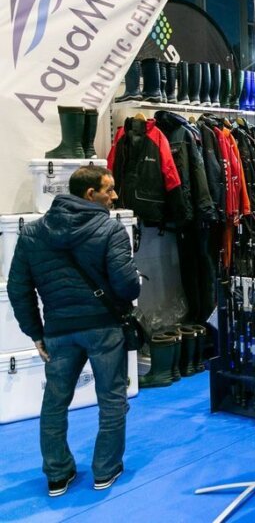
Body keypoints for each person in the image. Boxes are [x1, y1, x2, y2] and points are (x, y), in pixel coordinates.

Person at [8, 165, 141, 497]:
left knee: (55, 403)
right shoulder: (110, 230)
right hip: (104, 328)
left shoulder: (32, 234)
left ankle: (57, 475)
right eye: (109, 190)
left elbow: (18, 289)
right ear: (90, 194)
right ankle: (106, 469)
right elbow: (127, 286)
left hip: (58, 330)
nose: (114, 196)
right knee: (111, 399)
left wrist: (35, 332)